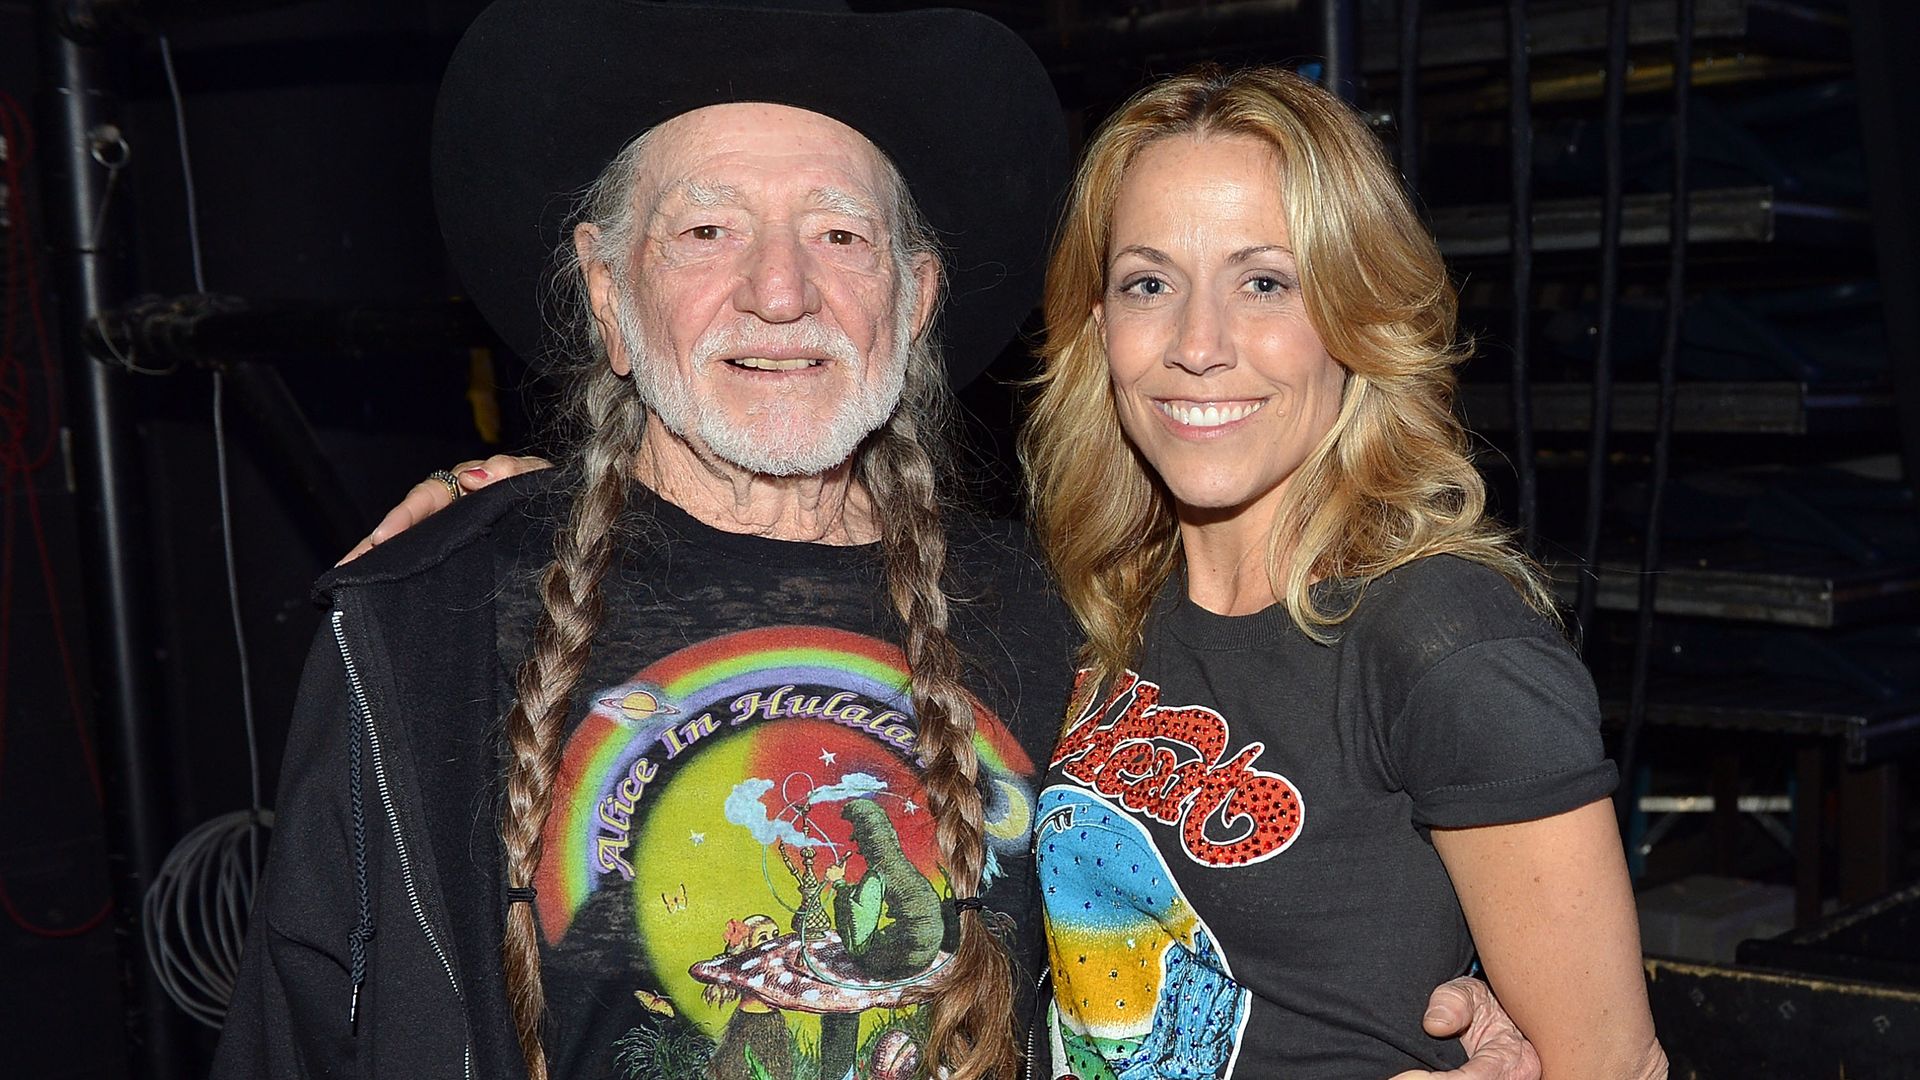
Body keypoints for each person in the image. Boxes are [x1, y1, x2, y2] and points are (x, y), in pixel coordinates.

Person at [309, 7, 1552, 1080]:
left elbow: (1241, 939)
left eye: (840, 235)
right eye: (706, 231)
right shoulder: (422, 627)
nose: (781, 291)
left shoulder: (1065, 614)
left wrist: (1491, 1032)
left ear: (914, 299)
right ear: (605, 295)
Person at [1019, 66, 1668, 1079]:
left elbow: (1614, 1067)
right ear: (1100, 328)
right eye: (1150, 282)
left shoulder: (1447, 646)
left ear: (1355, 317)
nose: (1199, 345)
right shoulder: (1103, 599)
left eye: (1265, 282)